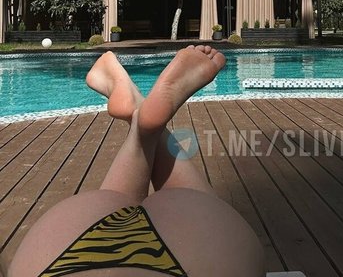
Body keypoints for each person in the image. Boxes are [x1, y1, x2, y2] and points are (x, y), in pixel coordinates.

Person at [8, 45, 265, 277]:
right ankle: (143, 123)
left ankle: (141, 121)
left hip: (68, 252)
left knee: (117, 207)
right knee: (121, 202)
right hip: (70, 250)